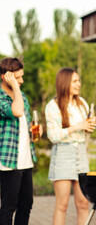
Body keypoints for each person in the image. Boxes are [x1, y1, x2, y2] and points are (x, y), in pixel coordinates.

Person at [45, 68, 96, 225]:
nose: (79, 84)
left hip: (80, 154)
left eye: (79, 80)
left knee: (83, 203)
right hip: (63, 154)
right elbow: (53, 136)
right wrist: (77, 126)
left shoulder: (83, 104)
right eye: (75, 81)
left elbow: (84, 133)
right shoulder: (53, 106)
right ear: (64, 82)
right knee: (63, 205)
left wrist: (88, 128)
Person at [0, 57, 42, 225]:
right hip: (9, 160)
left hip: (25, 159)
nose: (22, 81)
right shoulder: (2, 96)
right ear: (5, 77)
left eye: (21, 77)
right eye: (17, 78)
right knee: (9, 206)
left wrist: (33, 130)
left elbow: (24, 121)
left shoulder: (21, 95)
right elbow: (16, 111)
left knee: (26, 204)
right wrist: (16, 88)